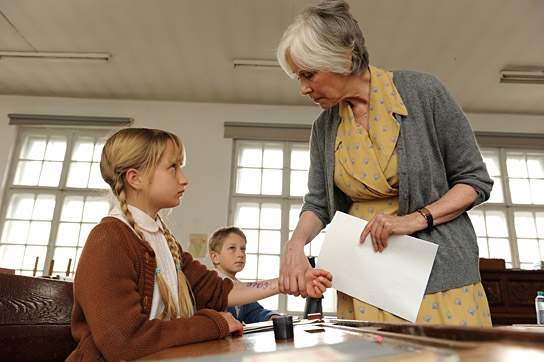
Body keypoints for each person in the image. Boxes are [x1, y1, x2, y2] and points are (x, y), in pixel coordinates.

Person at [275, 0, 493, 327]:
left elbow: (475, 181)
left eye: (308, 74)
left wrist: (413, 221)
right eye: (298, 77)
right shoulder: (324, 127)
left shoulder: (424, 93)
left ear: (343, 59)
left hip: (441, 276)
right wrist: (295, 244)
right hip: (364, 279)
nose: (304, 88)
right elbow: (318, 203)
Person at [67, 128, 333, 361]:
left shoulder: (163, 239)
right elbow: (124, 343)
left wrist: (289, 280)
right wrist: (214, 323)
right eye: (173, 167)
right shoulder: (109, 239)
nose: (184, 179)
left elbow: (219, 292)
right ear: (135, 178)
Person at [209, 226, 280, 323]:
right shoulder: (209, 287)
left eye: (243, 249)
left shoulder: (240, 286)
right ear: (215, 257)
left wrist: (271, 317)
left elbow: (253, 312)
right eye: (232, 248)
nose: (240, 254)